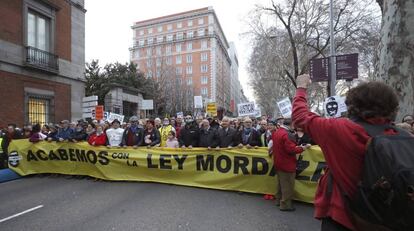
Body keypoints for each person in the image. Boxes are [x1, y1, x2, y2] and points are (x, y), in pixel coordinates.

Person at [292, 74, 399, 230]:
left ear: (353, 104)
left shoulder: (340, 130)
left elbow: (300, 116)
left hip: (343, 218)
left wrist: (301, 88)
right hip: (388, 219)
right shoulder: (403, 136)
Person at [272, 118, 310, 211]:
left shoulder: (277, 132)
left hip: (278, 162)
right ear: (291, 124)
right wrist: (303, 148)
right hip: (287, 163)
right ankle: (285, 205)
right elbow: (291, 150)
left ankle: (278, 200)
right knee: (288, 185)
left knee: (281, 184)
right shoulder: (288, 134)